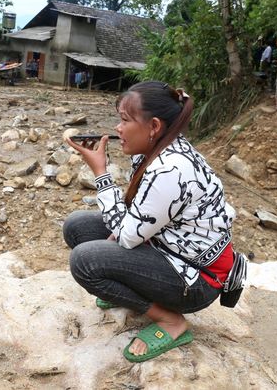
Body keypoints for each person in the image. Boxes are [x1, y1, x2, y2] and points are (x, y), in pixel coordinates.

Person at [64, 81, 236, 362]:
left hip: (197, 279)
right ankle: (129, 290)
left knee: (85, 262)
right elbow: (134, 217)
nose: (117, 129)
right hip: (168, 247)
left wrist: (100, 172)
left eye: (124, 120)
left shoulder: (170, 169)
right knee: (77, 227)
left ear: (154, 126)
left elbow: (129, 236)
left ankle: (171, 320)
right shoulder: (158, 149)